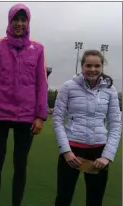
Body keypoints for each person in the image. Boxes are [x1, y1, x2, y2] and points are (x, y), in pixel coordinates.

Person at [0, 3, 48, 206]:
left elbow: (42, 83)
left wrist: (40, 116)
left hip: (26, 116)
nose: (19, 24)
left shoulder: (38, 49)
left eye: (23, 20)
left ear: (28, 23)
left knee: (21, 165)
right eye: (15, 20)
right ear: (9, 21)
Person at [52, 50, 122, 206]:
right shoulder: (68, 87)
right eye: (88, 65)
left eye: (97, 65)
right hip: (72, 151)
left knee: (95, 200)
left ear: (102, 67)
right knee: (63, 198)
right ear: (82, 66)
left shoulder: (110, 90)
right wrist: (66, 151)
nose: (92, 69)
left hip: (98, 153)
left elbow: (116, 124)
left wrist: (107, 156)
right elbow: (57, 120)